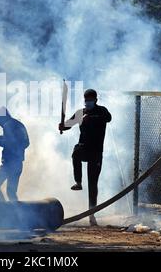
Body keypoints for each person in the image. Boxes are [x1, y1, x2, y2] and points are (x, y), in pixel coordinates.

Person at [59, 89, 112, 226]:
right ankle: (78, 182)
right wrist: (62, 126)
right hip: (84, 148)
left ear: (95, 100)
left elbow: (109, 118)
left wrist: (93, 117)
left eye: (90, 99)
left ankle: (92, 214)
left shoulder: (101, 111)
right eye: (86, 99)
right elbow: (68, 125)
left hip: (96, 152)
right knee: (76, 153)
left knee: (93, 184)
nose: (88, 102)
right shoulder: (80, 113)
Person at [0, 107, 30, 202]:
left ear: (2, 117)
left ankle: (3, 209)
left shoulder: (7, 125)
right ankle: (17, 213)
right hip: (18, 164)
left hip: (9, 164)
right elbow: (23, 142)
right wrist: (0, 137)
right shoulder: (19, 124)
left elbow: (9, 143)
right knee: (11, 192)